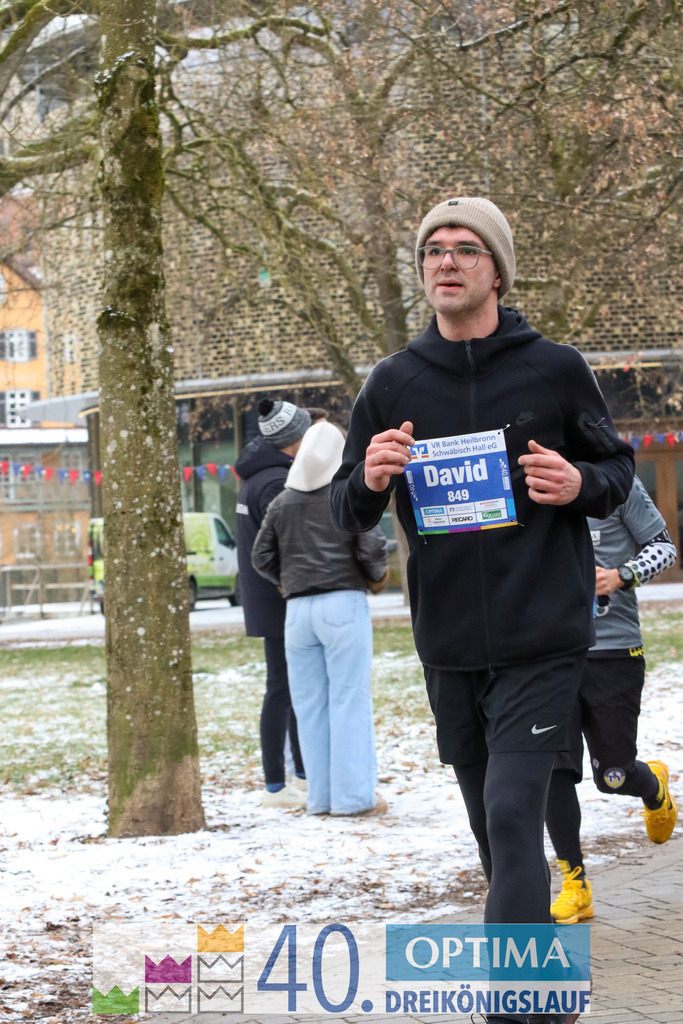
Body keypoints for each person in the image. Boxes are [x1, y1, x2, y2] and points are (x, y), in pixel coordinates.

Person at [330, 196, 634, 1024]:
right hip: (450, 645)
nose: (446, 261)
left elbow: (616, 471)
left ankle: (519, 1009)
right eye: (433, 250)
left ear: (495, 269)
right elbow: (341, 515)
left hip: (542, 637)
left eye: (465, 249)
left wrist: (577, 485)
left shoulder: (553, 369)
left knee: (511, 813)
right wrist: (368, 478)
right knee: (490, 832)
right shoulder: (393, 382)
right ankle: (550, 992)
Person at [546, 476, 678, 925]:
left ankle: (652, 785)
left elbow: (664, 547)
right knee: (553, 768)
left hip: (614, 650)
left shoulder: (616, 486)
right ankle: (575, 882)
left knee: (614, 776)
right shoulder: (531, 490)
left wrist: (622, 575)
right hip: (549, 654)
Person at [252, 421, 388, 816]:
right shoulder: (344, 497)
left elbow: (260, 556)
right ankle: (354, 798)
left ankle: (320, 798)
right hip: (342, 603)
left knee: (309, 705)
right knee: (349, 700)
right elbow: (372, 547)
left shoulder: (282, 502)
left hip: (296, 612)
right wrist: (374, 576)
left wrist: (286, 580)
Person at [234, 397, 311, 809]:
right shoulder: (274, 482)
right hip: (280, 600)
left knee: (286, 690)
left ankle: (293, 776)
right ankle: (280, 783)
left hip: (268, 600)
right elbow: (281, 544)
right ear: (292, 439)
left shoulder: (256, 476)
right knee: (284, 691)